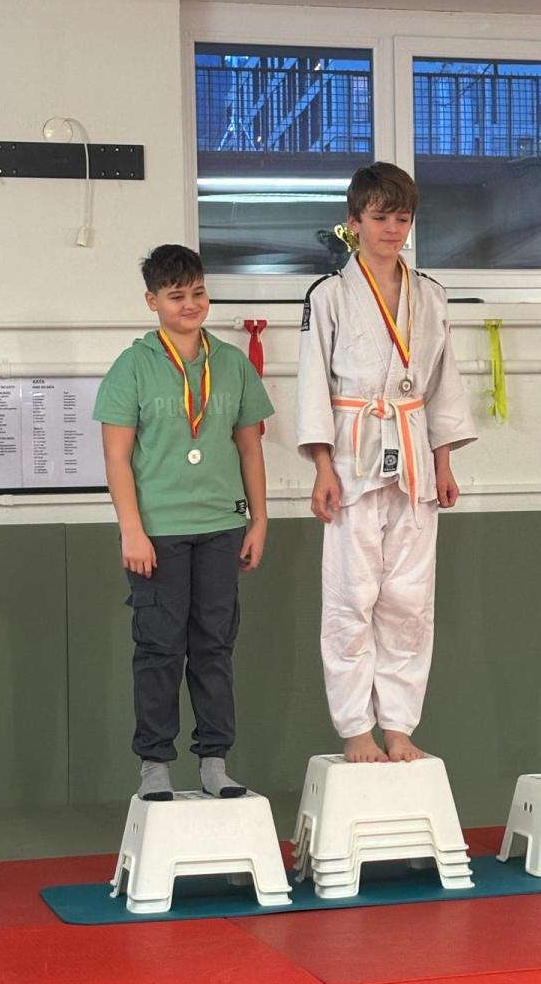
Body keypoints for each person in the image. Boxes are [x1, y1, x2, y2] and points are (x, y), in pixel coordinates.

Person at [296, 162, 476, 763]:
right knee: (351, 597)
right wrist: (322, 467)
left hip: (415, 453)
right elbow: (312, 385)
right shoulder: (329, 295)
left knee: (409, 600)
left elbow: (443, 383)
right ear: (354, 223)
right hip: (352, 454)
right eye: (380, 218)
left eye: (402, 218)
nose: (393, 229)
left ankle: (398, 725)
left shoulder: (431, 295)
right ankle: (355, 728)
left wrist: (443, 461)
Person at [93, 244, 273, 801]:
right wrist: (131, 530)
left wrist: (259, 520)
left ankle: (215, 760)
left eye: (198, 292)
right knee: (160, 650)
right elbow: (117, 457)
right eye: (176, 296)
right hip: (158, 534)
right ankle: (154, 764)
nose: (190, 304)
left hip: (221, 526)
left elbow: (250, 449)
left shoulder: (232, 364)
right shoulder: (132, 366)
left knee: (214, 647)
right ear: (153, 301)